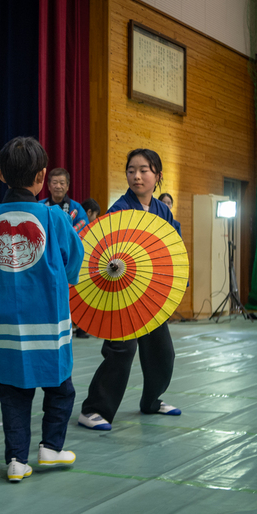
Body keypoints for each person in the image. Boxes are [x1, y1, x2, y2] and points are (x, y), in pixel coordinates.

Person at [0, 137, 84, 483]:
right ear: (42, 177)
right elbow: (74, 260)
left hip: (3, 323)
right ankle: (51, 448)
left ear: (1, 175)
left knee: (12, 392)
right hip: (47, 321)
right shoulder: (53, 216)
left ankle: (16, 461)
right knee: (60, 388)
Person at [78, 148, 183, 431]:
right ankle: (93, 410)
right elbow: (102, 249)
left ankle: (151, 400)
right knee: (122, 350)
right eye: (131, 170)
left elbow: (172, 248)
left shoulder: (163, 211)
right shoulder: (119, 210)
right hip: (119, 293)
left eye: (144, 170)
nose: (136, 176)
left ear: (158, 176)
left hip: (149, 295)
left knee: (163, 352)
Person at [39, 168, 89, 232]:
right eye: (55, 183)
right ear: (48, 186)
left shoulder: (77, 208)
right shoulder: (40, 206)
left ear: (67, 186)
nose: (58, 186)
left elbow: (84, 231)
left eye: (62, 183)